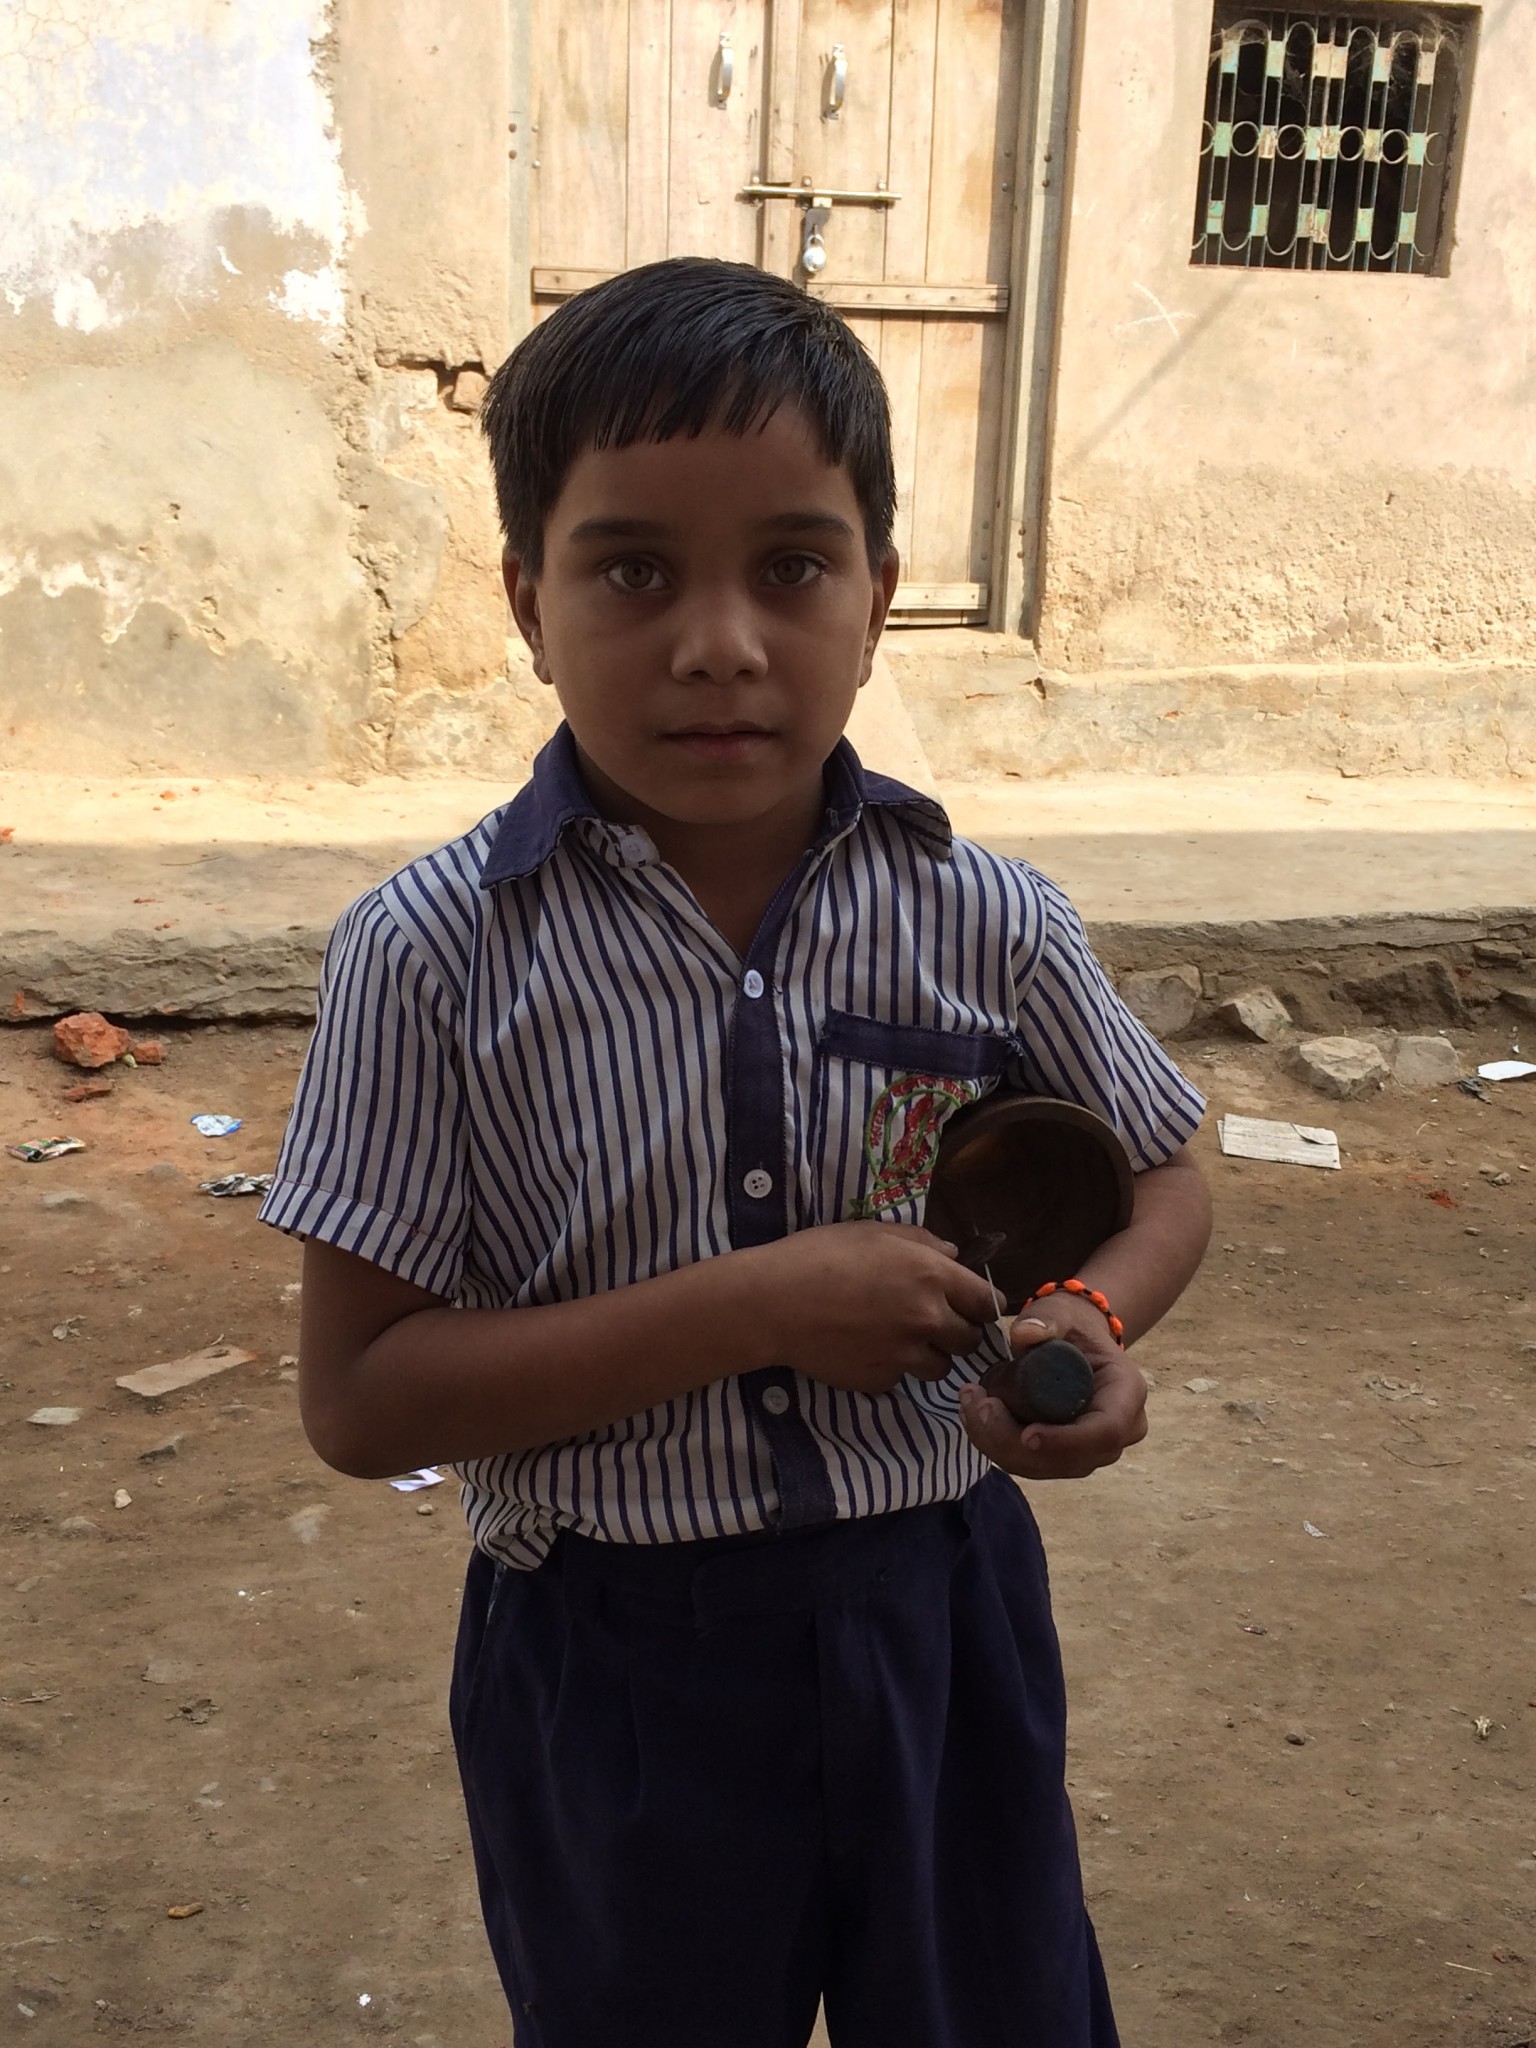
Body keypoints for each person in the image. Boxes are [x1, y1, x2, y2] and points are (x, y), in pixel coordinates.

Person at [261, 255, 1211, 2048]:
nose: (719, 642)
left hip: (941, 1619)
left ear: (882, 595)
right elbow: (364, 1400)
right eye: (631, 569)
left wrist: (1080, 1327)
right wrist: (759, 1306)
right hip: (613, 1673)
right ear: (526, 601)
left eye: (792, 565)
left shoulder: (984, 918)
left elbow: (1167, 1174)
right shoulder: (431, 958)